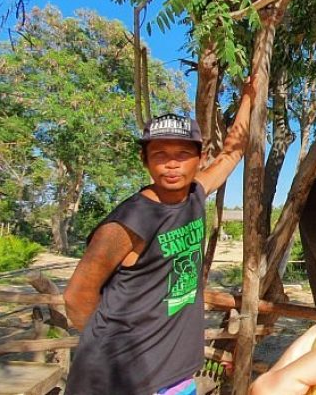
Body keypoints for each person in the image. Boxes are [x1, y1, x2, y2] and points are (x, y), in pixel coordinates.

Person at [64, 81, 254, 394]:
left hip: (175, 376)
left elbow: (232, 152)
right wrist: (115, 355)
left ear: (200, 157)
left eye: (182, 154)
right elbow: (76, 298)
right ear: (145, 159)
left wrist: (249, 96)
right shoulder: (128, 223)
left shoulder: (195, 195)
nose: (171, 164)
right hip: (122, 381)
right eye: (160, 154)